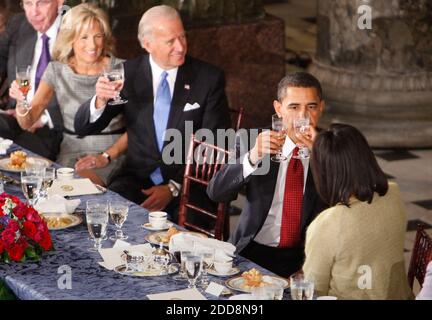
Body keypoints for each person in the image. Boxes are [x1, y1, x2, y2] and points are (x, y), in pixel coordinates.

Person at [73, 5, 230, 219]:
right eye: (170, 41)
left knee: (181, 236)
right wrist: (100, 99)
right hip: (137, 178)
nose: (180, 47)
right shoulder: (129, 74)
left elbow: (215, 145)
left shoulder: (208, 79)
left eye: (182, 37)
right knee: (107, 212)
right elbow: (83, 127)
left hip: (188, 186)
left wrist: (174, 188)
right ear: (148, 44)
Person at [207, 72, 328, 278]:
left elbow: (350, 202)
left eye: (311, 107)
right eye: (294, 107)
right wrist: (253, 157)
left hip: (306, 256)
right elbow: (216, 193)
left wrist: (323, 158)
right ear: (278, 109)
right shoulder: (253, 140)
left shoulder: (331, 146)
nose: (303, 117)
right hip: (253, 250)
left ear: (321, 108)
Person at [9, 3, 125, 186]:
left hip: (111, 154)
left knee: (76, 188)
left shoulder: (121, 69)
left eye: (98, 36)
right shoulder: (56, 70)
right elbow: (27, 122)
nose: (92, 45)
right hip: (69, 153)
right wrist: (21, 101)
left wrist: (106, 156)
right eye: (84, 37)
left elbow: (138, 130)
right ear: (70, 39)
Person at [302, 123, 413, 300]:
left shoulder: (327, 224)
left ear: (323, 172)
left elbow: (313, 290)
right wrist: (322, 150)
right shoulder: (394, 194)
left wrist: (319, 154)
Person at [0, 0, 65, 160]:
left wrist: (42, 117)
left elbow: (83, 86)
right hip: (14, 117)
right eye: (28, 3)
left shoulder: (75, 29)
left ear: (60, 2)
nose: (34, 12)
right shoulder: (19, 23)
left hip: (50, 126)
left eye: (42, 3)